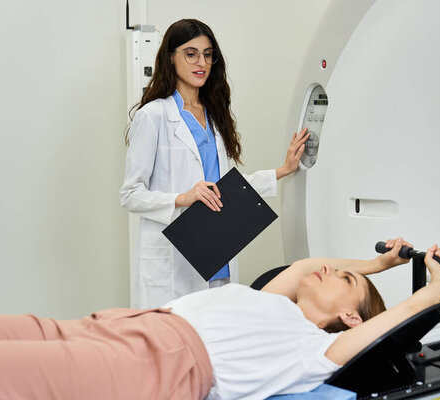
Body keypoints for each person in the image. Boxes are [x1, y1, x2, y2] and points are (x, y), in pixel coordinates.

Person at [0, 238, 440, 400]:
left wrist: (434, 286)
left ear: (351, 317)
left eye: (346, 280)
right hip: (121, 325)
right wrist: (377, 265)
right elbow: (307, 267)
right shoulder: (270, 300)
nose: (331, 267)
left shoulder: (311, 352)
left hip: (156, 365)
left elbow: (397, 320)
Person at [120, 18, 309, 308]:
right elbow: (131, 195)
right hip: (173, 262)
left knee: (215, 341)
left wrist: (283, 170)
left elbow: (226, 189)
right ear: (170, 58)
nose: (201, 62)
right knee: (175, 343)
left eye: (208, 55)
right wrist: (182, 198)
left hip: (217, 253)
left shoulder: (214, 116)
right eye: (191, 53)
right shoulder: (153, 116)